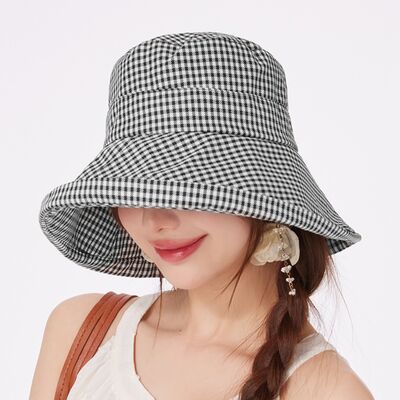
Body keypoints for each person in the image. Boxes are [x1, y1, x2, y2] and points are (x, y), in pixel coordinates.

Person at [29, 31, 374, 399]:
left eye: (187, 185)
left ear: (265, 190)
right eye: (133, 190)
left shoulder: (329, 391)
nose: (155, 218)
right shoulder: (80, 332)